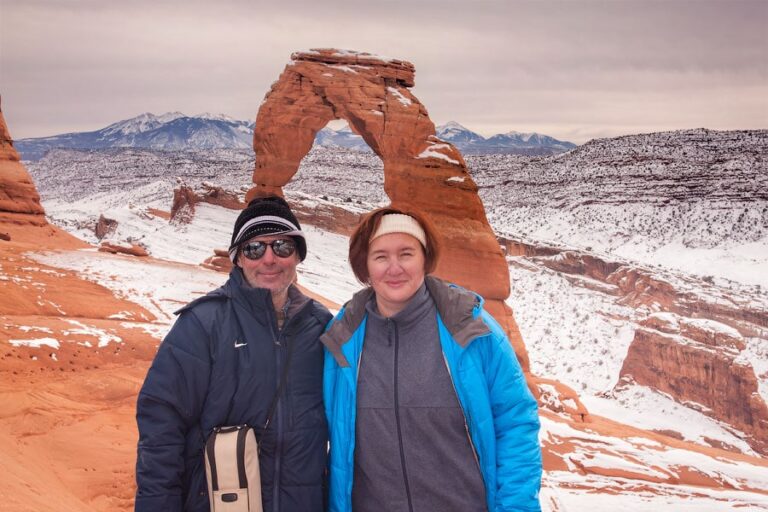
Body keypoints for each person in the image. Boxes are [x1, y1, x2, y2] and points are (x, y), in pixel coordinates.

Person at [321, 207, 542, 512]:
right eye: (381, 256)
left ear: (425, 258)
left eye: (406, 253)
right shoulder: (343, 338)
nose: (394, 267)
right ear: (365, 266)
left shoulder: (470, 328)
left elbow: (515, 422)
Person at [135, 196, 332, 512]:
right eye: (254, 248)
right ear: (238, 259)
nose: (269, 258)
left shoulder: (320, 326)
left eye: (282, 246)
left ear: (298, 256)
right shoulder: (203, 324)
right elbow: (161, 429)